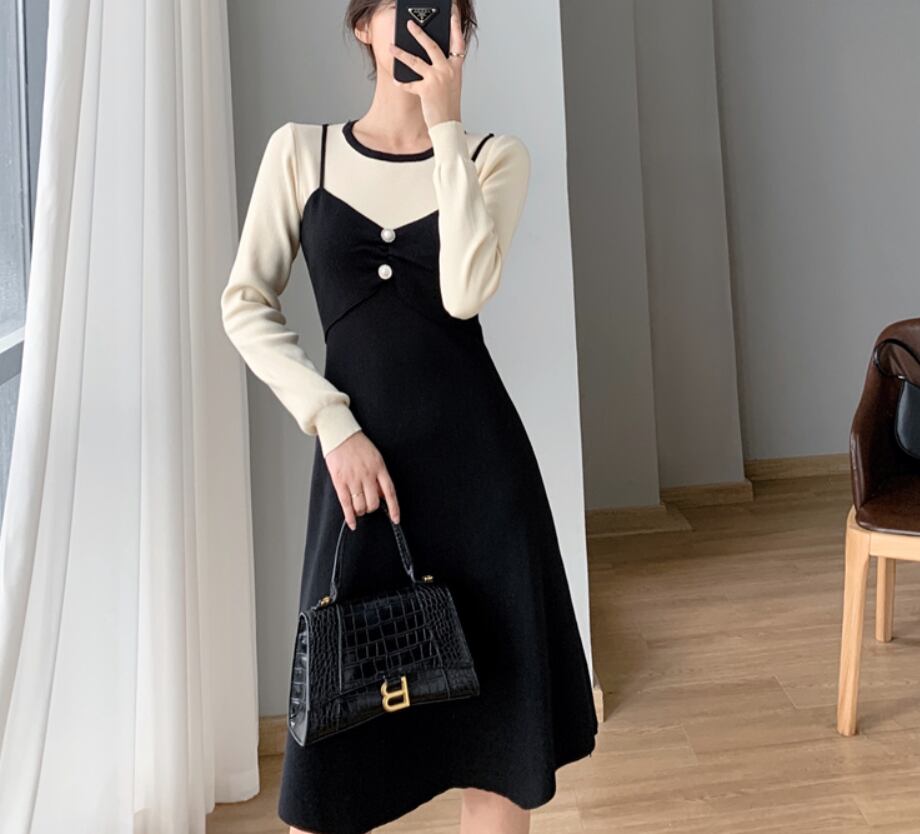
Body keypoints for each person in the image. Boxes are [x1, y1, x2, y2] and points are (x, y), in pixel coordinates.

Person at [219, 1, 598, 832]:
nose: (426, 22)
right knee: (327, 777)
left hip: (481, 485)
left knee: (494, 756)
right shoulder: (302, 153)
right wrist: (333, 424)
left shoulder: (495, 158)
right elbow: (244, 305)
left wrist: (446, 128)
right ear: (364, 25)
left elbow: (463, 293)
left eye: (445, 8)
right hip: (361, 482)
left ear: (461, 33)